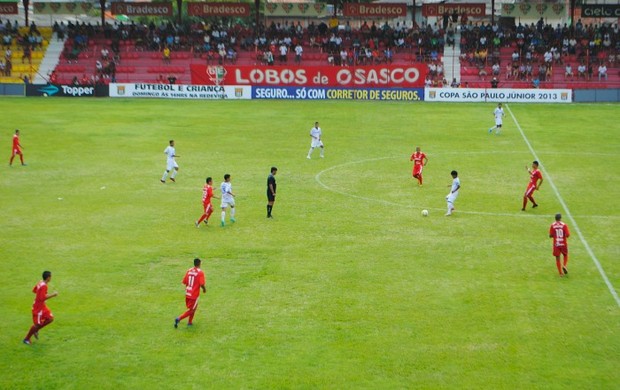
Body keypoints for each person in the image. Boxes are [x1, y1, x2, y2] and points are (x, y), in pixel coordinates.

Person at [23, 271, 58, 345]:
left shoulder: (40, 282)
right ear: (48, 277)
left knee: (50, 318)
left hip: (42, 306)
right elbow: (42, 298)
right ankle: (26, 339)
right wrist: (53, 295)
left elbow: (34, 290)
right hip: (38, 308)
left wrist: (41, 293)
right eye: (51, 276)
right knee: (37, 325)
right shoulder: (44, 286)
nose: (51, 278)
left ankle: (36, 330)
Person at [174, 258, 206, 328]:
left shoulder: (189, 270)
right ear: (199, 263)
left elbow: (184, 282)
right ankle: (179, 318)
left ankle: (190, 322)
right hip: (194, 295)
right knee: (192, 310)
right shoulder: (200, 272)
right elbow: (201, 284)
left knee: (192, 308)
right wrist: (204, 289)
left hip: (188, 293)